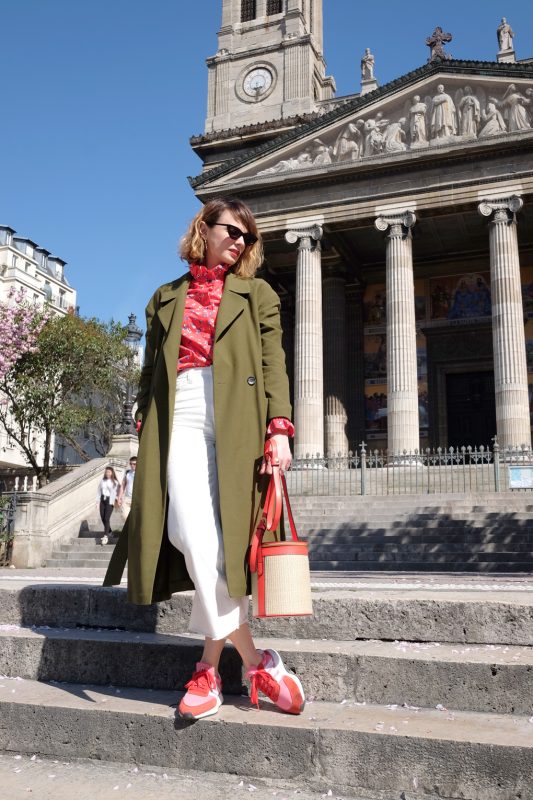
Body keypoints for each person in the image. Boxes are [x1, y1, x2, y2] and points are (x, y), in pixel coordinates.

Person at [104, 197, 305, 721]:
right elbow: (151, 369)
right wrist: (144, 417)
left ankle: (208, 671)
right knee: (191, 534)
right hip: (182, 410)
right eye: (232, 230)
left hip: (240, 412)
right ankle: (258, 661)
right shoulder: (165, 297)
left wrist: (280, 427)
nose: (240, 241)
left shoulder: (258, 294)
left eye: (247, 237)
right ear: (204, 227)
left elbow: (274, 363)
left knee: (226, 542)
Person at [96, 466, 119, 545]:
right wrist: (97, 502)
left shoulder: (114, 482)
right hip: (102, 500)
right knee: (102, 517)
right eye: (106, 472)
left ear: (112, 473)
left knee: (106, 518)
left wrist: (114, 501)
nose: (107, 473)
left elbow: (115, 492)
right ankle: (110, 532)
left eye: (109, 472)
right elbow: (99, 491)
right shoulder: (102, 480)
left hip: (110, 500)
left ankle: (106, 536)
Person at [117, 457, 137, 521]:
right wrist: (119, 498)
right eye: (130, 464)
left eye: (134, 464)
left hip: (137, 499)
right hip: (127, 499)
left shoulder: (142, 473)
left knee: (136, 518)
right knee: (125, 516)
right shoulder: (127, 473)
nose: (132, 465)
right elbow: (123, 486)